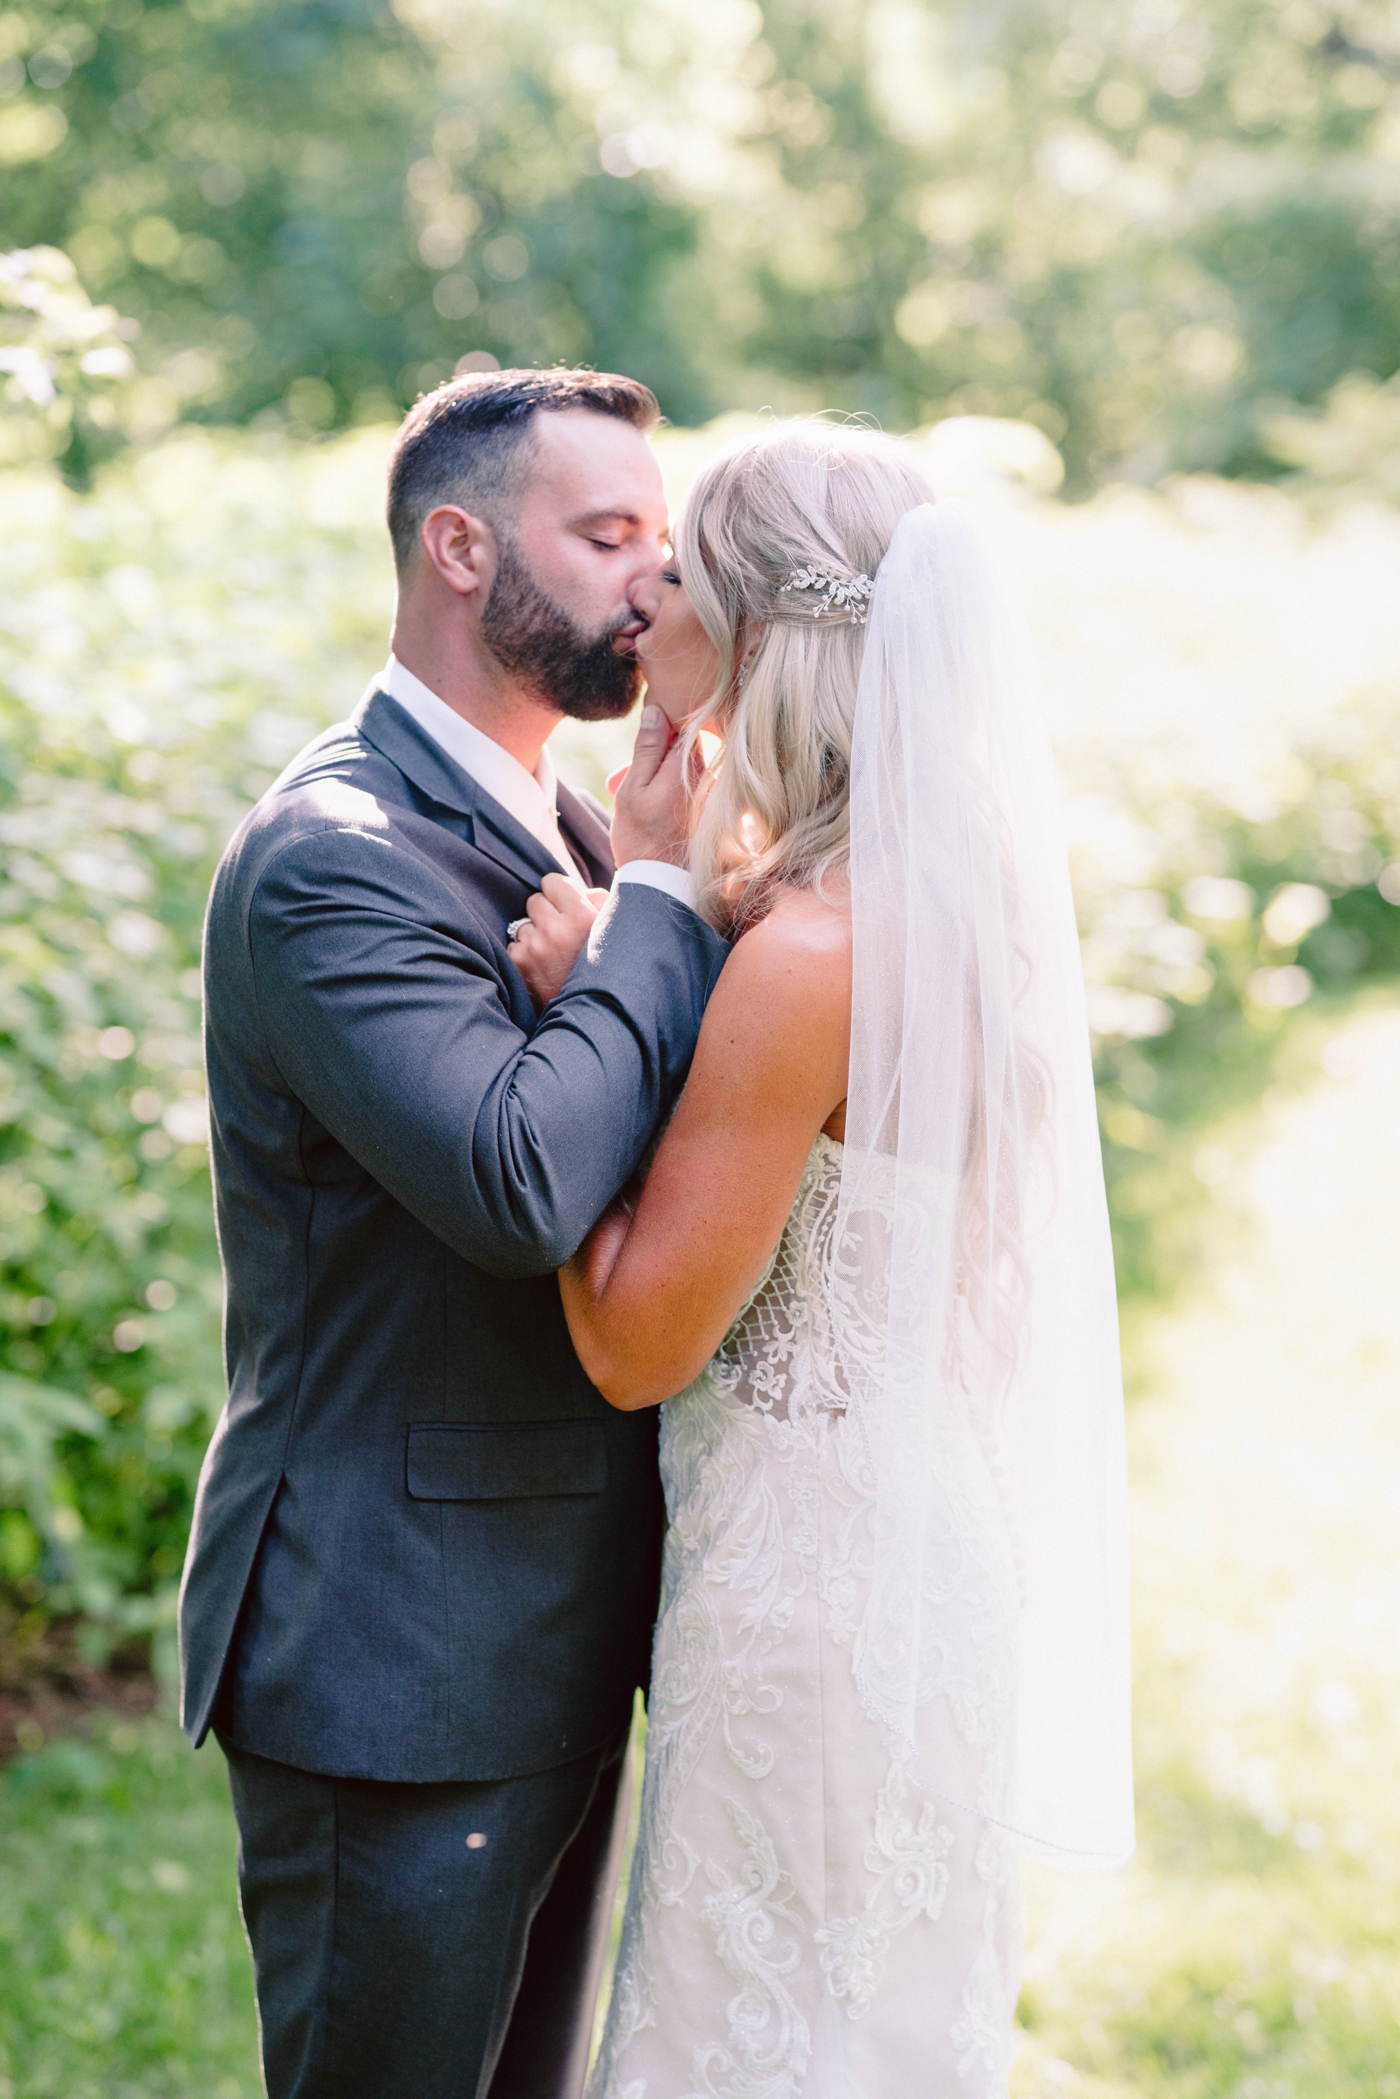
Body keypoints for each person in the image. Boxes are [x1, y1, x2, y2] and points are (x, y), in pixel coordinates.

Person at [512, 420, 1135, 2096]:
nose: (646, 601)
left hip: (808, 1588)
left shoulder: (810, 958)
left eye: (682, 573)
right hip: (920, 1544)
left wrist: (595, 1009)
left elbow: (640, 1343)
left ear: (766, 630)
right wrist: (679, 917)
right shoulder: (951, 900)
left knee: (753, 2049)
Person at [177, 368, 728, 2099]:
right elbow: (516, 1185)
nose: (654, 579)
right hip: (399, 1657)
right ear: (461, 545)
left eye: (665, 536)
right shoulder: (332, 857)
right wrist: (654, 907)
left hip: (552, 1626)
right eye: (609, 535)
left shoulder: (569, 821)